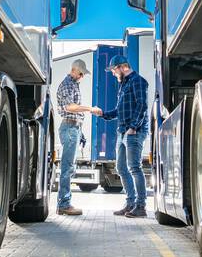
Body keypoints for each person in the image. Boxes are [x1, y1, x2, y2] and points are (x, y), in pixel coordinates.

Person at [90, 55, 149, 217]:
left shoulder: (138, 81)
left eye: (114, 70)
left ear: (123, 67)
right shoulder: (124, 85)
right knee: (121, 168)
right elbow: (118, 110)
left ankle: (141, 206)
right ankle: (130, 203)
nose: (113, 73)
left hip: (133, 132)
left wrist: (133, 127)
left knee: (134, 168)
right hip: (122, 131)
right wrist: (102, 114)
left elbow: (142, 105)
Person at [54, 59, 92, 216]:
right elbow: (70, 107)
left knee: (69, 167)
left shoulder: (74, 84)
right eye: (81, 73)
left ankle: (64, 203)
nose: (82, 76)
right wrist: (90, 109)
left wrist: (80, 130)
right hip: (69, 128)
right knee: (67, 167)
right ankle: (64, 204)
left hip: (73, 127)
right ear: (74, 70)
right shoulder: (68, 84)